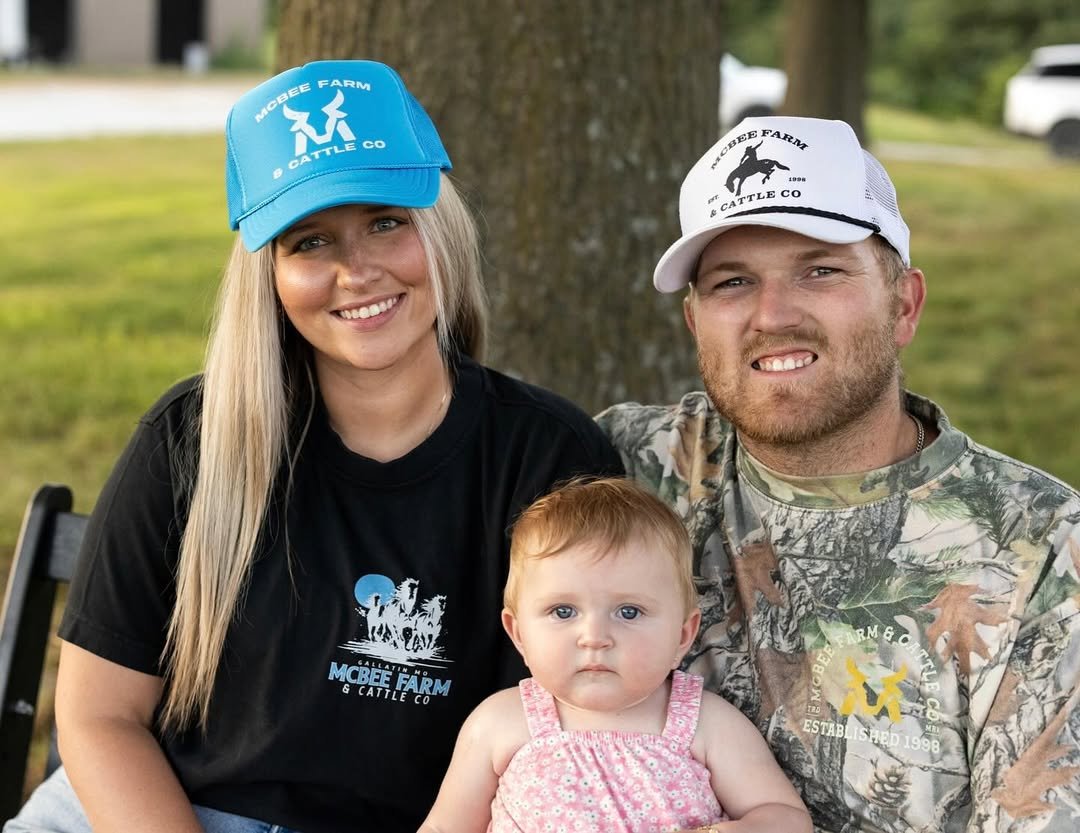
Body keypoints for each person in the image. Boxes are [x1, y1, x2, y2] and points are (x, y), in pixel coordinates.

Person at [6, 60, 622, 833]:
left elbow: (570, 740)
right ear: (269, 273)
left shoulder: (549, 460)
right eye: (310, 241)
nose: (356, 270)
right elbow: (98, 717)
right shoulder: (192, 442)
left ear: (441, 224)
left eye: (386, 221)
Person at [596, 115, 1080, 833]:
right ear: (697, 324)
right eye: (733, 281)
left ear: (904, 303)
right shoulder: (632, 467)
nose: (773, 314)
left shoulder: (1039, 549)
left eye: (819, 269)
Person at [418, 476, 813, 833]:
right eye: (563, 611)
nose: (595, 637)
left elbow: (783, 815)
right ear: (519, 633)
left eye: (629, 612)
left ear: (682, 636)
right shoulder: (498, 724)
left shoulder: (705, 725)